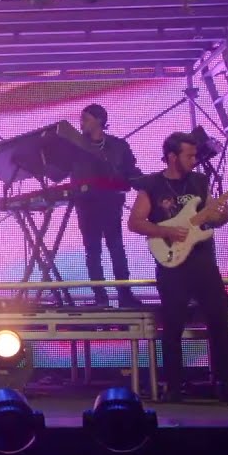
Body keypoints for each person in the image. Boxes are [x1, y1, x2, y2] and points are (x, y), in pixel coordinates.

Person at [128, 132, 228, 402]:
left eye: (195, 155)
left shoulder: (199, 182)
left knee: (219, 321)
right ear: (172, 157)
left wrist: (223, 215)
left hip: (203, 261)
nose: (194, 160)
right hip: (172, 265)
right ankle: (174, 386)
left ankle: (225, 382)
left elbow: (213, 217)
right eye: (189, 155)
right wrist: (165, 231)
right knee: (173, 324)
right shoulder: (152, 185)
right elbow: (135, 222)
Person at [71, 104, 143, 308]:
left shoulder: (118, 146)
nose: (81, 123)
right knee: (93, 251)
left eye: (85, 118)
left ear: (99, 120)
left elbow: (131, 171)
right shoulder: (76, 147)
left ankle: (125, 295)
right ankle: (100, 298)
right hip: (87, 206)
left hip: (111, 204)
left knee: (116, 249)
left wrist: (148, 185)